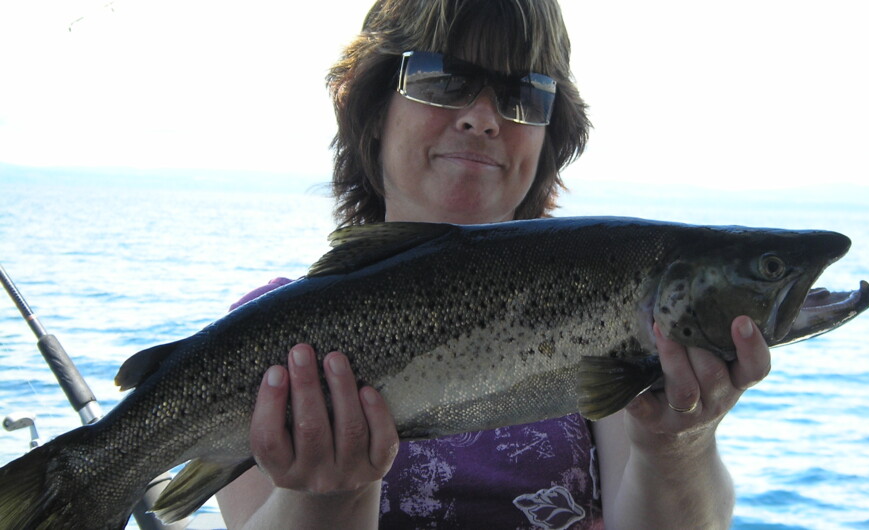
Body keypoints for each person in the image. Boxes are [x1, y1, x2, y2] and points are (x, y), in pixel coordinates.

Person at [217, 0, 771, 528]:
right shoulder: (263, 341)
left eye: (524, 95)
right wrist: (329, 499)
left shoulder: (607, 300)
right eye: (443, 79)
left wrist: (678, 441)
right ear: (374, 105)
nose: (482, 119)